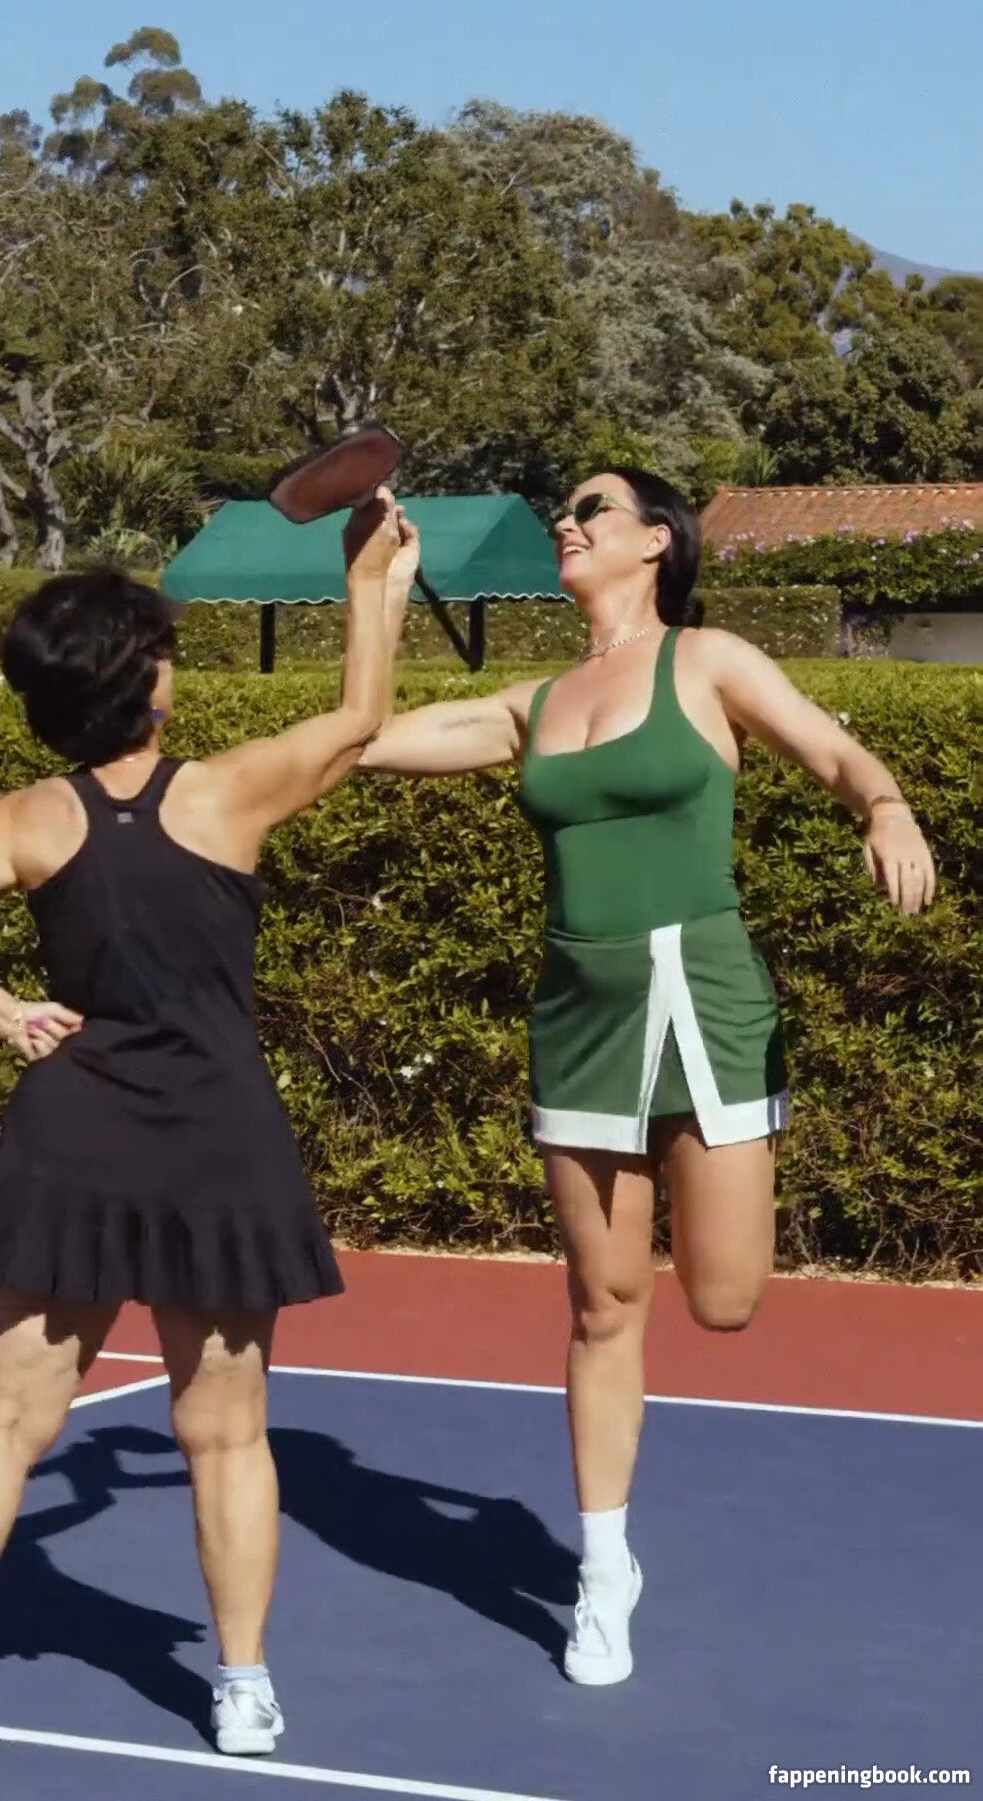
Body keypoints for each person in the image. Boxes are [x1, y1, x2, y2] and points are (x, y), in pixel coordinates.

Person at [360, 466, 935, 1688]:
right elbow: (364, 740)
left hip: (706, 1001)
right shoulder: (530, 704)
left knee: (723, 1301)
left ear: (657, 541)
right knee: (601, 1303)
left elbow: (833, 751)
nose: (567, 523)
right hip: (578, 1013)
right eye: (566, 513)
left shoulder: (709, 661)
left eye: (594, 510)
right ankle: (604, 1567)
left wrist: (885, 807)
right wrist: (380, 592)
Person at [0, 492, 419, 1767]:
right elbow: (361, 718)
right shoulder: (230, 794)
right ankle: (240, 1689)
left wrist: (0, 1010)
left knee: (0, 1421)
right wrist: (372, 581)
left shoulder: (30, 818)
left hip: (72, 1132)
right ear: (150, 684)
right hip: (213, 1139)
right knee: (225, 1431)